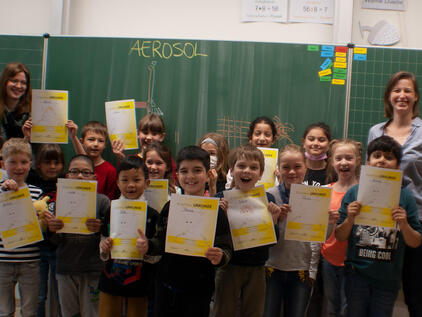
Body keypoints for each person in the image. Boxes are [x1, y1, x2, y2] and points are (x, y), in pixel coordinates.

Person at [137, 146, 232, 317]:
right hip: (166, 285)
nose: (190, 176)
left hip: (199, 289)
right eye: (184, 171)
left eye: (197, 170)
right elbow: (160, 242)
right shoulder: (169, 207)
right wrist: (148, 246)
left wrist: (220, 256)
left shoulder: (215, 212)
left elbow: (226, 248)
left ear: (208, 174)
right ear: (177, 175)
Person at [335, 135, 422, 317]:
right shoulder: (353, 193)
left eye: (389, 157)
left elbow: (415, 242)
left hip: (387, 280)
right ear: (368, 161)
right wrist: (350, 218)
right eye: (377, 155)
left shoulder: (405, 197)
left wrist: (404, 224)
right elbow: (340, 236)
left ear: (398, 166)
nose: (382, 160)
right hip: (356, 275)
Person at [367, 71, 422, 317]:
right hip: (381, 218)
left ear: (416, 97)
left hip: (415, 218)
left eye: (407, 90)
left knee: (416, 291)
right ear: (389, 96)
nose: (402, 95)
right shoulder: (375, 132)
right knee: (382, 287)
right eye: (397, 90)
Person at [212, 144, 281, 317]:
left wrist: (273, 221)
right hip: (229, 267)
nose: (247, 171)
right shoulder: (220, 199)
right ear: (231, 170)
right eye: (241, 166)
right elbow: (213, 238)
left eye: (253, 167)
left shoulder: (268, 199)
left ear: (260, 174)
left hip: (257, 268)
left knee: (254, 312)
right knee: (223, 311)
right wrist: (223, 217)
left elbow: (273, 241)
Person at [45, 154, 110, 317]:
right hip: (65, 268)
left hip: (92, 270)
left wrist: (100, 228)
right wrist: (53, 230)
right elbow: (54, 241)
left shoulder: (103, 202)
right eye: (74, 171)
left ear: (94, 178)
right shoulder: (57, 202)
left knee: (92, 313)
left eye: (86, 172)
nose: (80, 176)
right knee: (69, 313)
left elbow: (110, 236)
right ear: (67, 176)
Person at [98, 155, 160, 317]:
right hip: (111, 279)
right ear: (117, 183)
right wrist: (104, 249)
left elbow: (157, 254)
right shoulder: (111, 210)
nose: (130, 185)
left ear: (147, 183)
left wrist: (147, 249)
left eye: (136, 180)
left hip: (140, 282)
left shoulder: (153, 215)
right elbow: (103, 241)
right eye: (124, 180)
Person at [263, 144, 320, 317]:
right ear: (278, 169)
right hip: (272, 267)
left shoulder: (315, 196)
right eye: (286, 167)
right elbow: (262, 235)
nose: (292, 172)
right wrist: (276, 219)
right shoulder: (268, 196)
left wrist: (313, 269)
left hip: (300, 269)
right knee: (268, 312)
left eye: (297, 167)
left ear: (306, 167)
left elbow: (318, 238)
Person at [0, 138, 43, 317]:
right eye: (13, 162)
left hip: (30, 261)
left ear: (30, 164)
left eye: (24, 162)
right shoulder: (0, 190)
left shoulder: (37, 192)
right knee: (4, 311)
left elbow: (41, 227)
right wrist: (5, 191)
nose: (19, 167)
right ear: (3, 164)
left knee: (29, 311)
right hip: (2, 261)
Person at [320, 139, 362, 317]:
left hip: (354, 261)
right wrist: (327, 222)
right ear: (331, 162)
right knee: (331, 306)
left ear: (358, 160)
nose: (344, 162)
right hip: (329, 258)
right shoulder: (325, 192)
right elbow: (317, 231)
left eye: (349, 158)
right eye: (339, 158)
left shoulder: (365, 192)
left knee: (348, 308)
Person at [26, 144, 66, 317]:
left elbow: (84, 163)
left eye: (56, 163)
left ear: (63, 165)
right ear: (38, 164)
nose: (52, 167)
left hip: (60, 247)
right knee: (39, 295)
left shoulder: (66, 182)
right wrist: (27, 137)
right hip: (37, 248)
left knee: (60, 295)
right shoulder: (32, 181)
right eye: (47, 162)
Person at [226, 116, 278, 189]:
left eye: (267, 135)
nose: (262, 138)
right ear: (250, 137)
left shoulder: (278, 167)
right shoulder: (238, 160)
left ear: (273, 140)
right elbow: (229, 189)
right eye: (257, 133)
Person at [71, 121, 118, 201]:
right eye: (91, 139)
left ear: (105, 144)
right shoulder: (74, 167)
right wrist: (73, 136)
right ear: (82, 141)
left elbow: (110, 200)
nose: (96, 144)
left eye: (100, 141)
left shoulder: (110, 171)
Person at [0, 62, 31, 140]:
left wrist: (27, 137)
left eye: (23, 83)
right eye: (14, 81)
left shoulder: (30, 113)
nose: (18, 86)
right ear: (5, 82)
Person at [302, 122, 331, 187]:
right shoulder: (295, 169)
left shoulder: (334, 171)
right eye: (311, 139)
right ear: (303, 142)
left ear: (329, 144)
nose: (316, 143)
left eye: (321, 140)